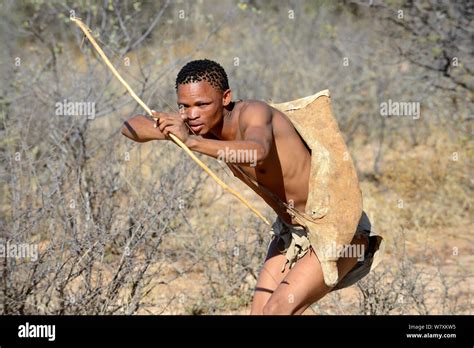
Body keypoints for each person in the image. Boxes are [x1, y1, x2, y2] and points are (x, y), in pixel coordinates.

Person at [121, 59, 377, 315]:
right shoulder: (197, 124)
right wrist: (165, 128)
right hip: (293, 231)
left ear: (225, 97)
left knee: (276, 311)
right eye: (184, 106)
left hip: (335, 226)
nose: (192, 114)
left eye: (202, 104)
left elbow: (258, 152)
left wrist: (191, 142)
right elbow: (130, 127)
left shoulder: (255, 113)